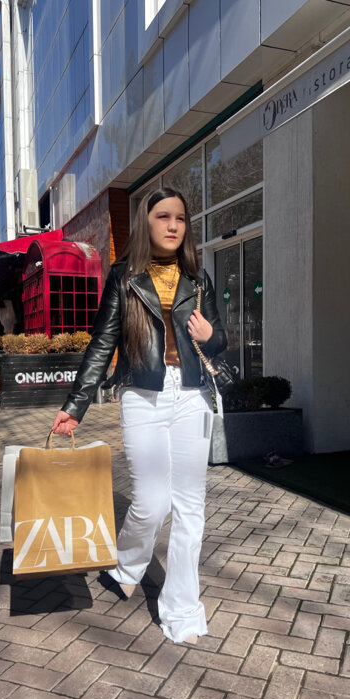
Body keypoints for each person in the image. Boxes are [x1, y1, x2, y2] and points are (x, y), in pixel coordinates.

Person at [52, 187, 227, 644]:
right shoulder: (125, 276)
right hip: (142, 396)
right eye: (163, 216)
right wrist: (75, 406)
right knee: (151, 502)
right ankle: (128, 565)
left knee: (190, 507)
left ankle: (183, 609)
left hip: (191, 395)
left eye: (180, 218)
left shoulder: (199, 278)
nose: (173, 225)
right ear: (145, 222)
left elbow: (219, 340)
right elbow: (102, 344)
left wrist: (210, 335)